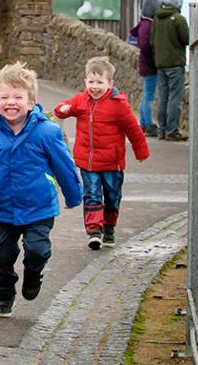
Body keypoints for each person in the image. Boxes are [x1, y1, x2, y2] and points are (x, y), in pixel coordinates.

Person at [0, 63, 82, 318]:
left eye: (18, 97)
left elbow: (64, 166)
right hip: (4, 211)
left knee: (37, 249)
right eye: (4, 97)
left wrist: (73, 196)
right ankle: (4, 295)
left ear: (31, 102)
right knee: (1, 258)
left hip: (39, 207)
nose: (11, 102)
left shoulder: (47, 132)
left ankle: (33, 273)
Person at [54, 56, 149, 250]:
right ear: (85, 82)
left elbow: (133, 129)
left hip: (112, 163)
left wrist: (141, 151)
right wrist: (62, 109)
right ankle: (94, 231)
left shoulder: (118, 105)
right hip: (88, 163)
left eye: (99, 82)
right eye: (91, 82)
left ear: (110, 83)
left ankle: (109, 227)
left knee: (112, 197)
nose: (94, 86)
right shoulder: (81, 100)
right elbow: (63, 109)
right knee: (92, 195)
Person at [151, 0, 190, 141]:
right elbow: (187, 39)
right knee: (175, 98)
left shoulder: (157, 19)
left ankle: (161, 130)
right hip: (175, 63)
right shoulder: (179, 19)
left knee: (163, 97)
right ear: (178, 3)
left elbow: (152, 41)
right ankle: (172, 130)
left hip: (160, 64)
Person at [128, 0, 163, 136]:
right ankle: (147, 123)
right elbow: (145, 45)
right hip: (149, 65)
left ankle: (144, 122)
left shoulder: (143, 24)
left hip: (145, 64)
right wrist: (153, 59)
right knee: (149, 96)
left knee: (146, 95)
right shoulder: (148, 25)